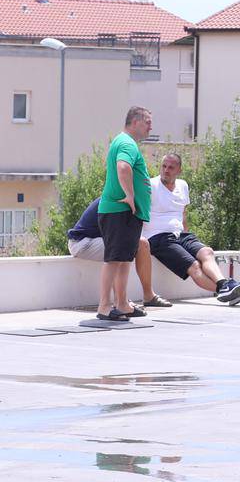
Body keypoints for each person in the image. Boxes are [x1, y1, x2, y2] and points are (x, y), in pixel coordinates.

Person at [144, 154, 240, 306]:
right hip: (158, 237)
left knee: (207, 252)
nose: (166, 170)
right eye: (164, 166)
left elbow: (183, 214)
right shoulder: (151, 185)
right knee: (194, 266)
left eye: (171, 167)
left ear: (179, 170)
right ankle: (226, 288)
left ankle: (227, 287)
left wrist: (187, 236)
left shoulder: (183, 185)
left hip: (180, 235)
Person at [94, 107, 154, 323]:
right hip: (120, 211)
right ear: (135, 121)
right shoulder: (127, 143)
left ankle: (122, 304)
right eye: (147, 121)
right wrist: (130, 196)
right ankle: (104, 306)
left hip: (124, 213)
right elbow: (123, 167)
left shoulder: (124, 142)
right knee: (114, 259)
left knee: (123, 260)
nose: (150, 126)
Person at [67, 201, 162, 309]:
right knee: (120, 248)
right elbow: (116, 240)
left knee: (142, 243)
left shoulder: (127, 204)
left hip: (96, 240)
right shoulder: (114, 203)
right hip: (81, 243)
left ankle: (149, 296)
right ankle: (120, 301)